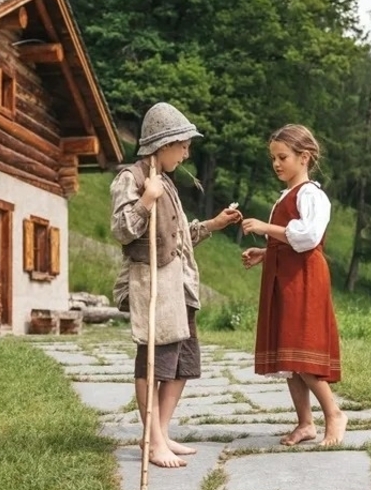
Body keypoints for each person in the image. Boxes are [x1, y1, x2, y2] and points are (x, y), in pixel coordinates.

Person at [111, 102, 242, 468]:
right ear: (163, 144)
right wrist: (147, 200)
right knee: (154, 363)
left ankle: (160, 433)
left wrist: (213, 225)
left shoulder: (165, 181)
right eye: (182, 145)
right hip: (153, 284)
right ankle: (153, 442)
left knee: (182, 363)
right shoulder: (133, 179)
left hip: (179, 285)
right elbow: (123, 230)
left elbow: (178, 236)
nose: (186, 153)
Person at [240, 123, 347, 447]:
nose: (276, 163)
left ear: (305, 157)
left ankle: (334, 414)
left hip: (304, 279)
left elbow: (308, 236)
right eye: (273, 157)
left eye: (282, 157)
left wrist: (264, 227)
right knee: (290, 354)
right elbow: (291, 238)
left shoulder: (312, 195)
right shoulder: (289, 195)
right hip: (286, 276)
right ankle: (305, 423)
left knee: (303, 351)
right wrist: (265, 252)